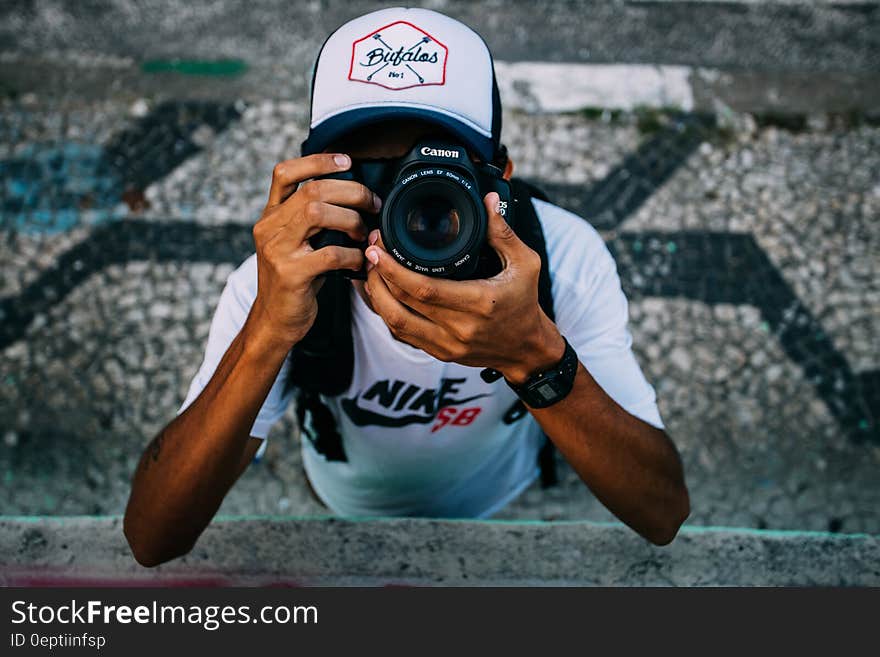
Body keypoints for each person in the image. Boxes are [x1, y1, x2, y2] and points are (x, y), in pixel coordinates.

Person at [123, 7, 689, 567]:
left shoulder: (561, 260)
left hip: (503, 499)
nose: (408, 208)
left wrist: (532, 352)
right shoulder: (283, 282)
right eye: (370, 177)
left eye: (437, 175)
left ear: (502, 177)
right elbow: (152, 538)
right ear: (315, 183)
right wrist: (267, 329)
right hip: (345, 502)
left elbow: (662, 512)